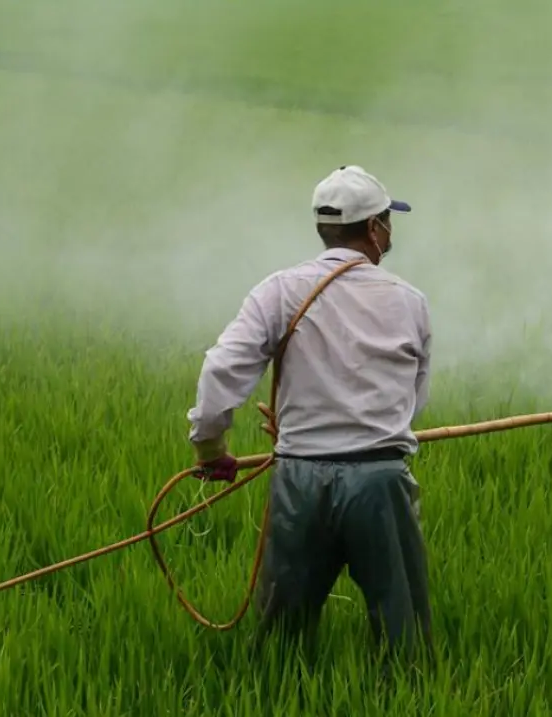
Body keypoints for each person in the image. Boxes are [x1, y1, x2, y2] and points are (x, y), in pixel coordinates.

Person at [184, 165, 434, 665]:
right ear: (373, 228)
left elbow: (222, 368)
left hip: (299, 479)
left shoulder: (279, 290)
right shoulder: (409, 302)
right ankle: (409, 694)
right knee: (402, 629)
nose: (390, 231)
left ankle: (277, 691)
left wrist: (211, 448)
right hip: (380, 481)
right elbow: (413, 400)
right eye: (388, 221)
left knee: (282, 636)